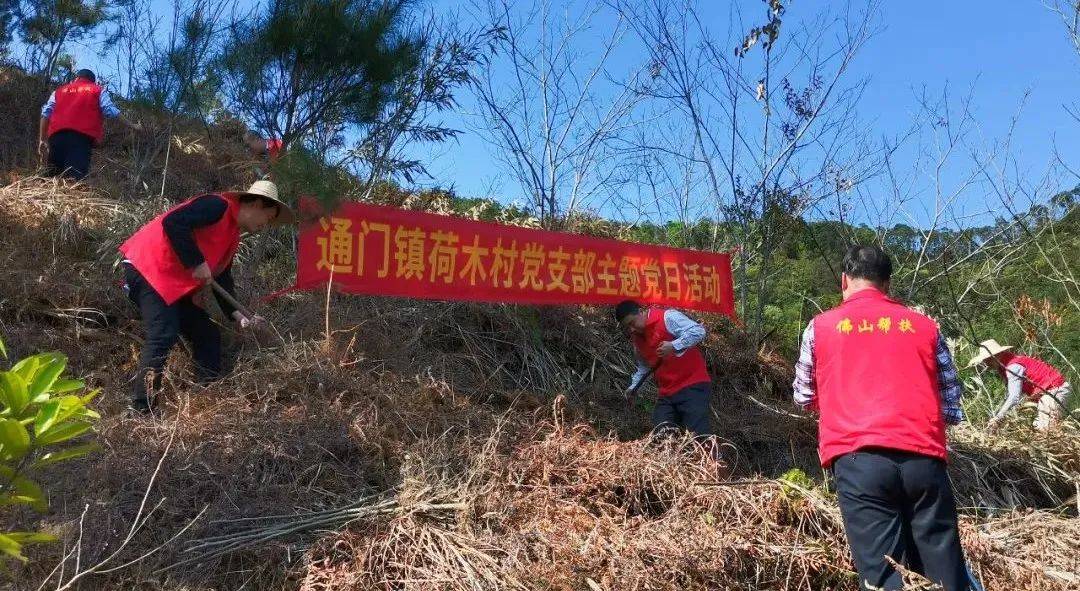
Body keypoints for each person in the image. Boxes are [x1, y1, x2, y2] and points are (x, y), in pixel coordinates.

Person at [793, 245, 975, 591]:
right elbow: (952, 400)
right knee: (944, 571)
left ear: (844, 280)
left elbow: (803, 395)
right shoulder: (924, 327)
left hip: (859, 460)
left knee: (883, 575)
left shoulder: (820, 327)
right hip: (924, 459)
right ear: (888, 284)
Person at [119, 180, 295, 413]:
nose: (266, 224)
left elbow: (222, 279)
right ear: (254, 204)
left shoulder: (232, 237)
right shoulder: (217, 206)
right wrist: (197, 262)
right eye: (268, 217)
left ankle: (206, 397)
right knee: (163, 333)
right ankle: (142, 409)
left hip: (173, 286)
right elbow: (174, 223)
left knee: (207, 333)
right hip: (149, 270)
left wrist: (239, 316)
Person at [615, 300, 712, 437]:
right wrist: (633, 387)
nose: (632, 329)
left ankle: (712, 458)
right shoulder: (637, 341)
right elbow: (644, 367)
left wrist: (674, 345)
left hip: (693, 385)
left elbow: (698, 331)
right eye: (627, 327)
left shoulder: (667, 317)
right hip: (667, 393)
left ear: (640, 312)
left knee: (698, 436)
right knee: (661, 436)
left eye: (632, 323)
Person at [38, 69, 137, 179]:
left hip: (56, 137)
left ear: (76, 78)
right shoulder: (97, 90)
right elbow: (110, 110)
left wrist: (42, 139)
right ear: (93, 81)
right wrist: (132, 125)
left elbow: (46, 113)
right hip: (81, 138)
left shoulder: (59, 91)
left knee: (52, 176)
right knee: (74, 179)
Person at [966, 340, 1073, 432]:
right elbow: (1016, 396)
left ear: (998, 355)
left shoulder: (1013, 367)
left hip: (1054, 391)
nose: (986, 363)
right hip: (1049, 393)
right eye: (985, 360)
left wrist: (998, 418)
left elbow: (1014, 397)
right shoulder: (1007, 366)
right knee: (1039, 429)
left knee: (1047, 431)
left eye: (988, 359)